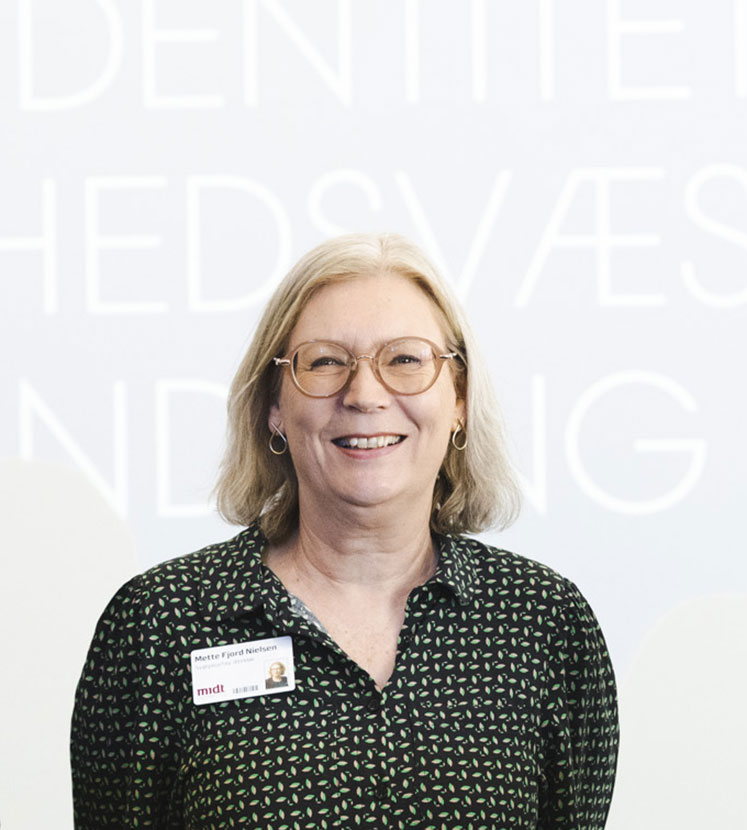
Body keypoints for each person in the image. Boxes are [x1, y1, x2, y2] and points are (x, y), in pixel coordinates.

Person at [72, 232, 618, 828]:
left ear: (459, 399)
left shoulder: (543, 624)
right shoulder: (160, 625)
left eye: (405, 360)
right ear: (274, 407)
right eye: (326, 361)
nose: (364, 395)